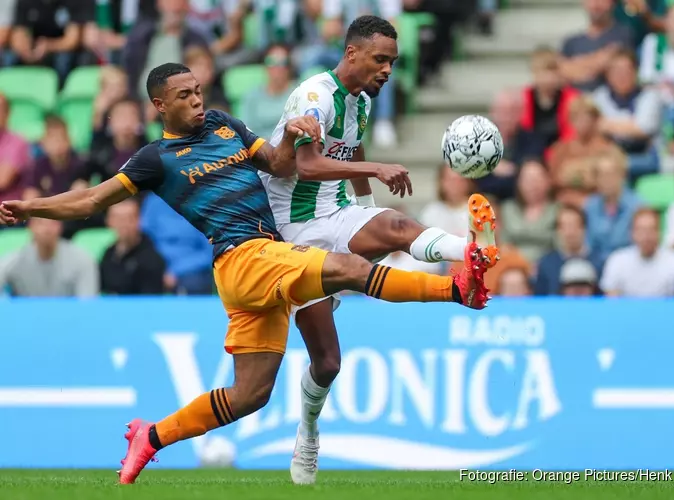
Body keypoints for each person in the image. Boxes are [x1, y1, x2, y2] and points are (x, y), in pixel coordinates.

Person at [0, 62, 493, 485]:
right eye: (183, 96)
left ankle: (150, 437)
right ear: (158, 105)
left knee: (250, 394)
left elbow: (279, 167)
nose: (197, 101)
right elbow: (90, 200)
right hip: (243, 256)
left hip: (259, 262)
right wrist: (29, 208)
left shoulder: (222, 125)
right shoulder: (155, 158)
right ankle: (457, 289)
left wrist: (294, 133)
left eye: (197, 91)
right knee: (348, 268)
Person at [258, 15, 500, 485]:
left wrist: (369, 214)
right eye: (380, 59)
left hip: (337, 213)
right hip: (290, 233)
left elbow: (351, 154)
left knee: (396, 223)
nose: (388, 69)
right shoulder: (314, 97)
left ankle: (470, 252)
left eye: (393, 61)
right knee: (327, 361)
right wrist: (378, 167)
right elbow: (306, 166)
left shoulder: (362, 103)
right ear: (351, 54)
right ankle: (307, 432)